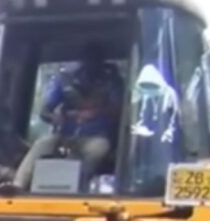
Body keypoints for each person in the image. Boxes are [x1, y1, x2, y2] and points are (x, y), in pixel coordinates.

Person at [12, 43, 125, 191]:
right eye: (87, 59)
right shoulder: (65, 81)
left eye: (95, 59)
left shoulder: (112, 82)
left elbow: (120, 110)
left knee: (98, 149)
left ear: (101, 61)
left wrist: (95, 113)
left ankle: (80, 187)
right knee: (43, 143)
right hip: (65, 135)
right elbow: (44, 111)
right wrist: (55, 117)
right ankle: (17, 185)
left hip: (96, 136)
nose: (90, 64)